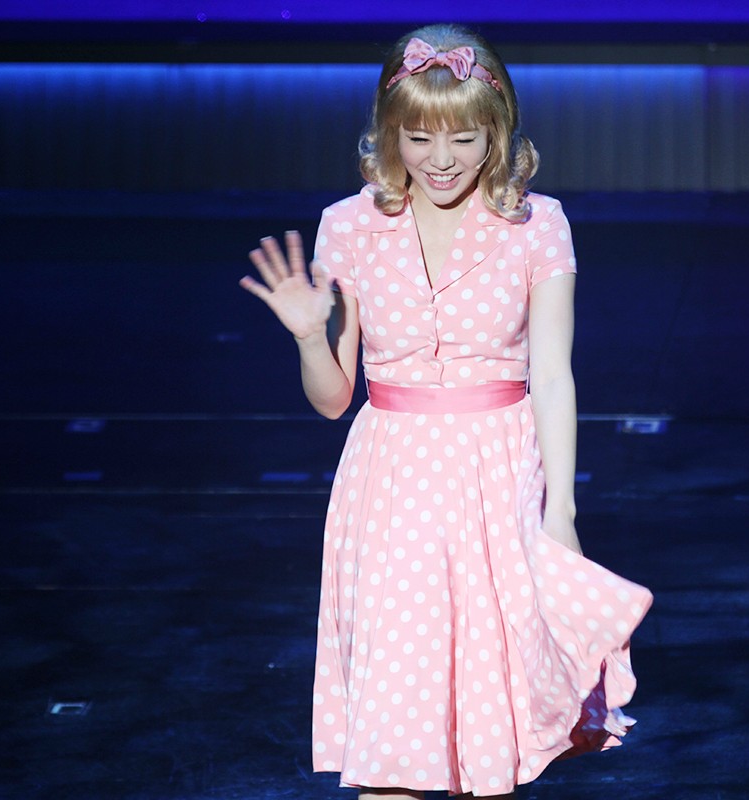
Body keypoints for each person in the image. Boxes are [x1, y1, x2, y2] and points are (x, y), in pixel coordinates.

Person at [240, 23, 653, 799]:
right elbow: (333, 400)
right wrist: (307, 335)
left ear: (497, 135)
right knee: (395, 745)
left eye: (463, 138)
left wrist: (560, 513)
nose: (440, 159)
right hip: (391, 484)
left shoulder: (537, 224)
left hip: (500, 478)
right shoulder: (349, 226)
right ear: (389, 132)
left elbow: (552, 377)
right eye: (419, 137)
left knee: (484, 749)